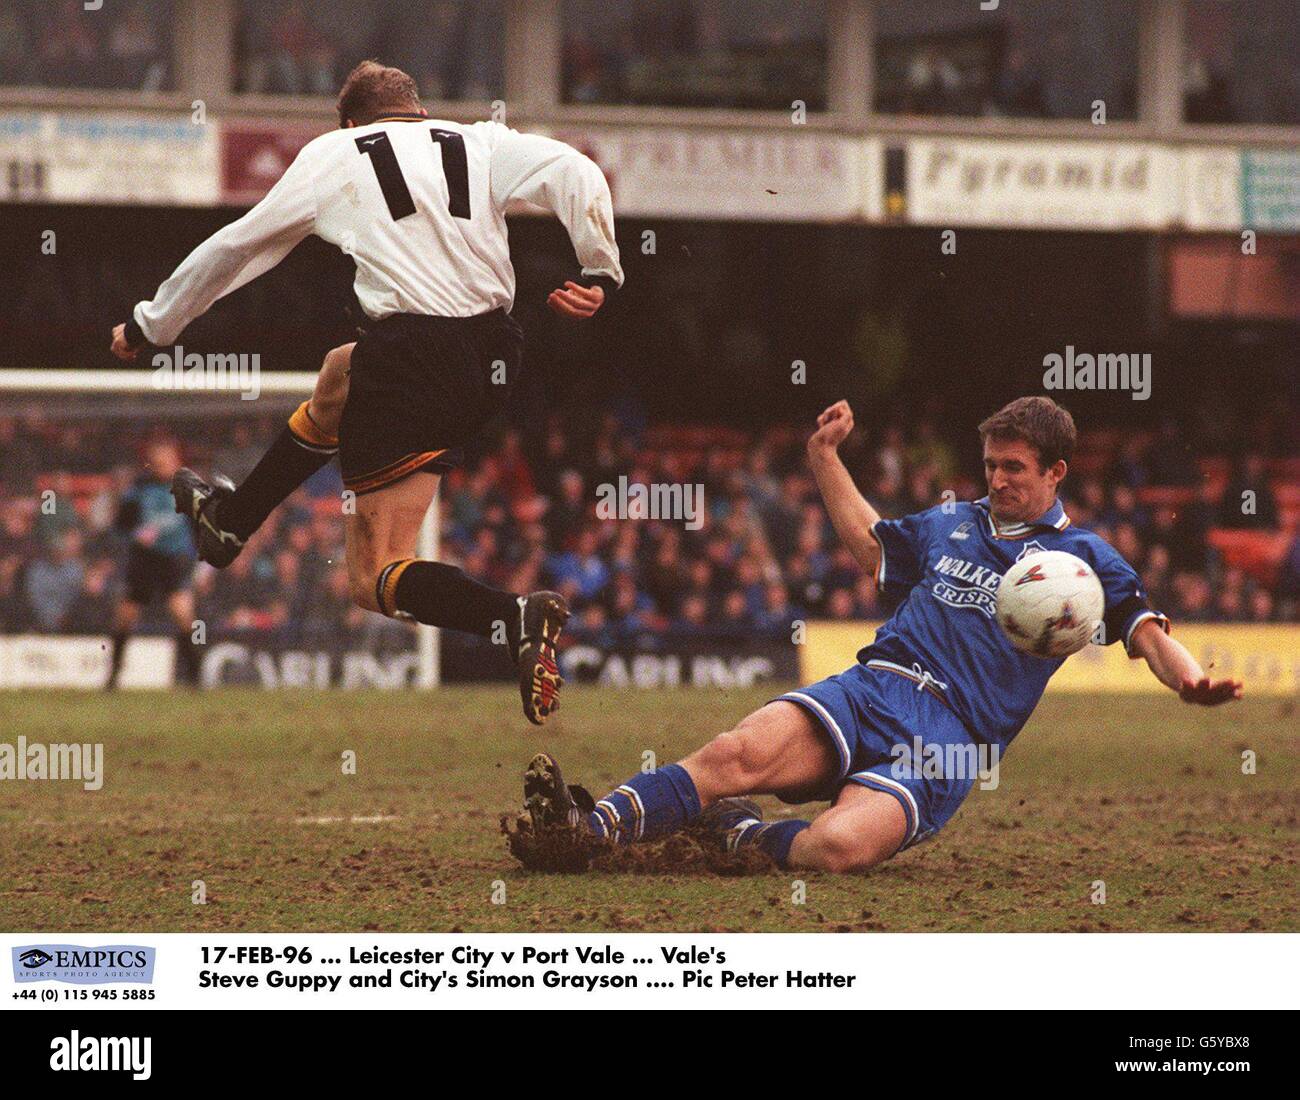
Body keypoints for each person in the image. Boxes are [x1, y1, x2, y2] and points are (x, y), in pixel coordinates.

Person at [508, 396, 1243, 873]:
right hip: (874, 685)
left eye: (1015, 469)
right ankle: (587, 829)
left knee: (836, 847)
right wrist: (825, 459)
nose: (998, 480)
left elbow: (1148, 634)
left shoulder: (1084, 562)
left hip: (949, 738)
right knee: (734, 752)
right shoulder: (950, 521)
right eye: (990, 465)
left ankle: (736, 837)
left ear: (1056, 471)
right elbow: (870, 548)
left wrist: (1189, 680)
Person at [110, 60, 623, 724]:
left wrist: (153, 326)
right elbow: (577, 171)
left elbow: (238, 246)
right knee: (338, 375)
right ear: (416, 108)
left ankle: (514, 616)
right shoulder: (478, 140)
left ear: (351, 122)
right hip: (493, 353)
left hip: (410, 355)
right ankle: (230, 524)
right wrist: (600, 269)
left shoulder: (336, 153)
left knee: (372, 576)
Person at [106, 440, 200, 689]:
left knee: (183, 615)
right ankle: (114, 675)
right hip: (144, 561)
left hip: (173, 561)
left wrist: (200, 560)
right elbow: (119, 527)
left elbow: (200, 527)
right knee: (125, 617)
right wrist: (136, 534)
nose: (162, 465)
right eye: (157, 461)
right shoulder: (138, 490)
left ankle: (195, 678)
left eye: (167, 460)